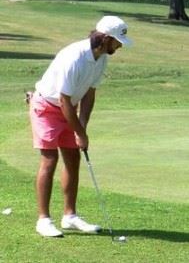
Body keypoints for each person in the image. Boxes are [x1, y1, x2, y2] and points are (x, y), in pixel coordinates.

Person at [29, 15, 131, 237]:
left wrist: (82, 126)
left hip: (68, 108)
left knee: (73, 158)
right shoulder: (74, 57)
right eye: (117, 41)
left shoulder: (102, 57)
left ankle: (70, 216)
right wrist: (80, 133)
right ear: (105, 38)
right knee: (50, 159)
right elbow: (64, 100)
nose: (120, 45)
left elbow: (89, 94)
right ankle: (43, 220)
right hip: (46, 107)